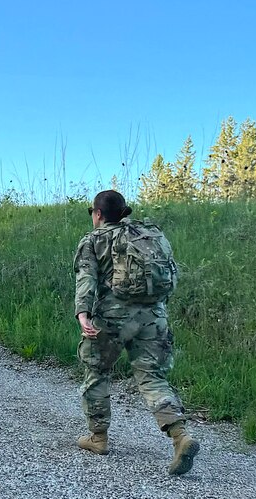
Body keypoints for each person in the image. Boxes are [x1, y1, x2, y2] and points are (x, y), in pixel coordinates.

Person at [72, 190, 199, 475]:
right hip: (153, 317)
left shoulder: (94, 240)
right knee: (153, 378)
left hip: (113, 318)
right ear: (124, 212)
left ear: (98, 214)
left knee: (97, 373)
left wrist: (83, 312)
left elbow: (86, 278)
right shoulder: (147, 235)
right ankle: (180, 436)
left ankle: (98, 437)